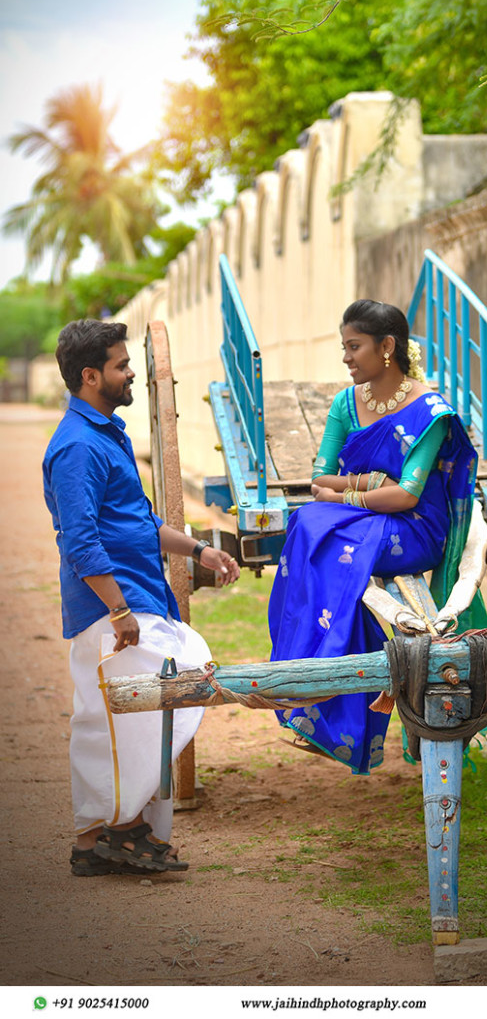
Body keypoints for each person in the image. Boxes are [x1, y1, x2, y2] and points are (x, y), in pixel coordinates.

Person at [43, 319, 240, 876]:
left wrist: (198, 550)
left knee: (141, 713)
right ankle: (119, 832)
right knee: (117, 717)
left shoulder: (106, 433)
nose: (132, 374)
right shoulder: (77, 447)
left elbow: (139, 522)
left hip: (134, 599)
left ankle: (101, 842)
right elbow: (79, 539)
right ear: (90, 376)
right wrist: (118, 608)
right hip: (110, 610)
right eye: (121, 365)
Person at [269, 299, 486, 774]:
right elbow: (318, 482)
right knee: (306, 522)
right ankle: (320, 690)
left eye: (354, 347)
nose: (345, 357)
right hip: (366, 518)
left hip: (413, 531)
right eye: (343, 347)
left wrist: (345, 495)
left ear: (387, 347)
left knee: (329, 541)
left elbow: (409, 495)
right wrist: (367, 486)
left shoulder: (430, 411)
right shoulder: (348, 403)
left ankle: (326, 693)